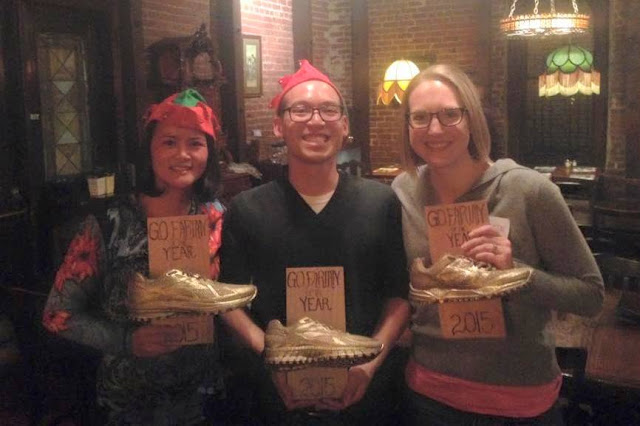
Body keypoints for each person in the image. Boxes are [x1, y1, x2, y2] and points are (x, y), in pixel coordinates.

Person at [391, 64, 605, 425]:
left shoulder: (529, 191)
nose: (435, 129)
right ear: (408, 126)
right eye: (421, 117)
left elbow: (591, 295)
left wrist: (516, 273)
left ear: (472, 118)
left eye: (450, 114)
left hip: (518, 401)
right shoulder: (404, 191)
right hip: (429, 391)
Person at [219, 59, 410, 425]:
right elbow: (229, 301)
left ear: (345, 125)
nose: (316, 120)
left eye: (328, 110)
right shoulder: (247, 209)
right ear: (279, 125)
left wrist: (370, 365)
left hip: (369, 395)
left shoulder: (381, 202)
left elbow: (399, 294)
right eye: (301, 110)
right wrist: (273, 358)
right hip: (274, 398)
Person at [41, 89, 241, 425]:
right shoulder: (108, 223)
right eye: (169, 142)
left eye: (195, 143)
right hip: (128, 403)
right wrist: (126, 340)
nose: (183, 154)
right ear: (149, 149)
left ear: (209, 152)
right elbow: (56, 315)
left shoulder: (217, 217)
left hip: (204, 397)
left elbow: (233, 300)